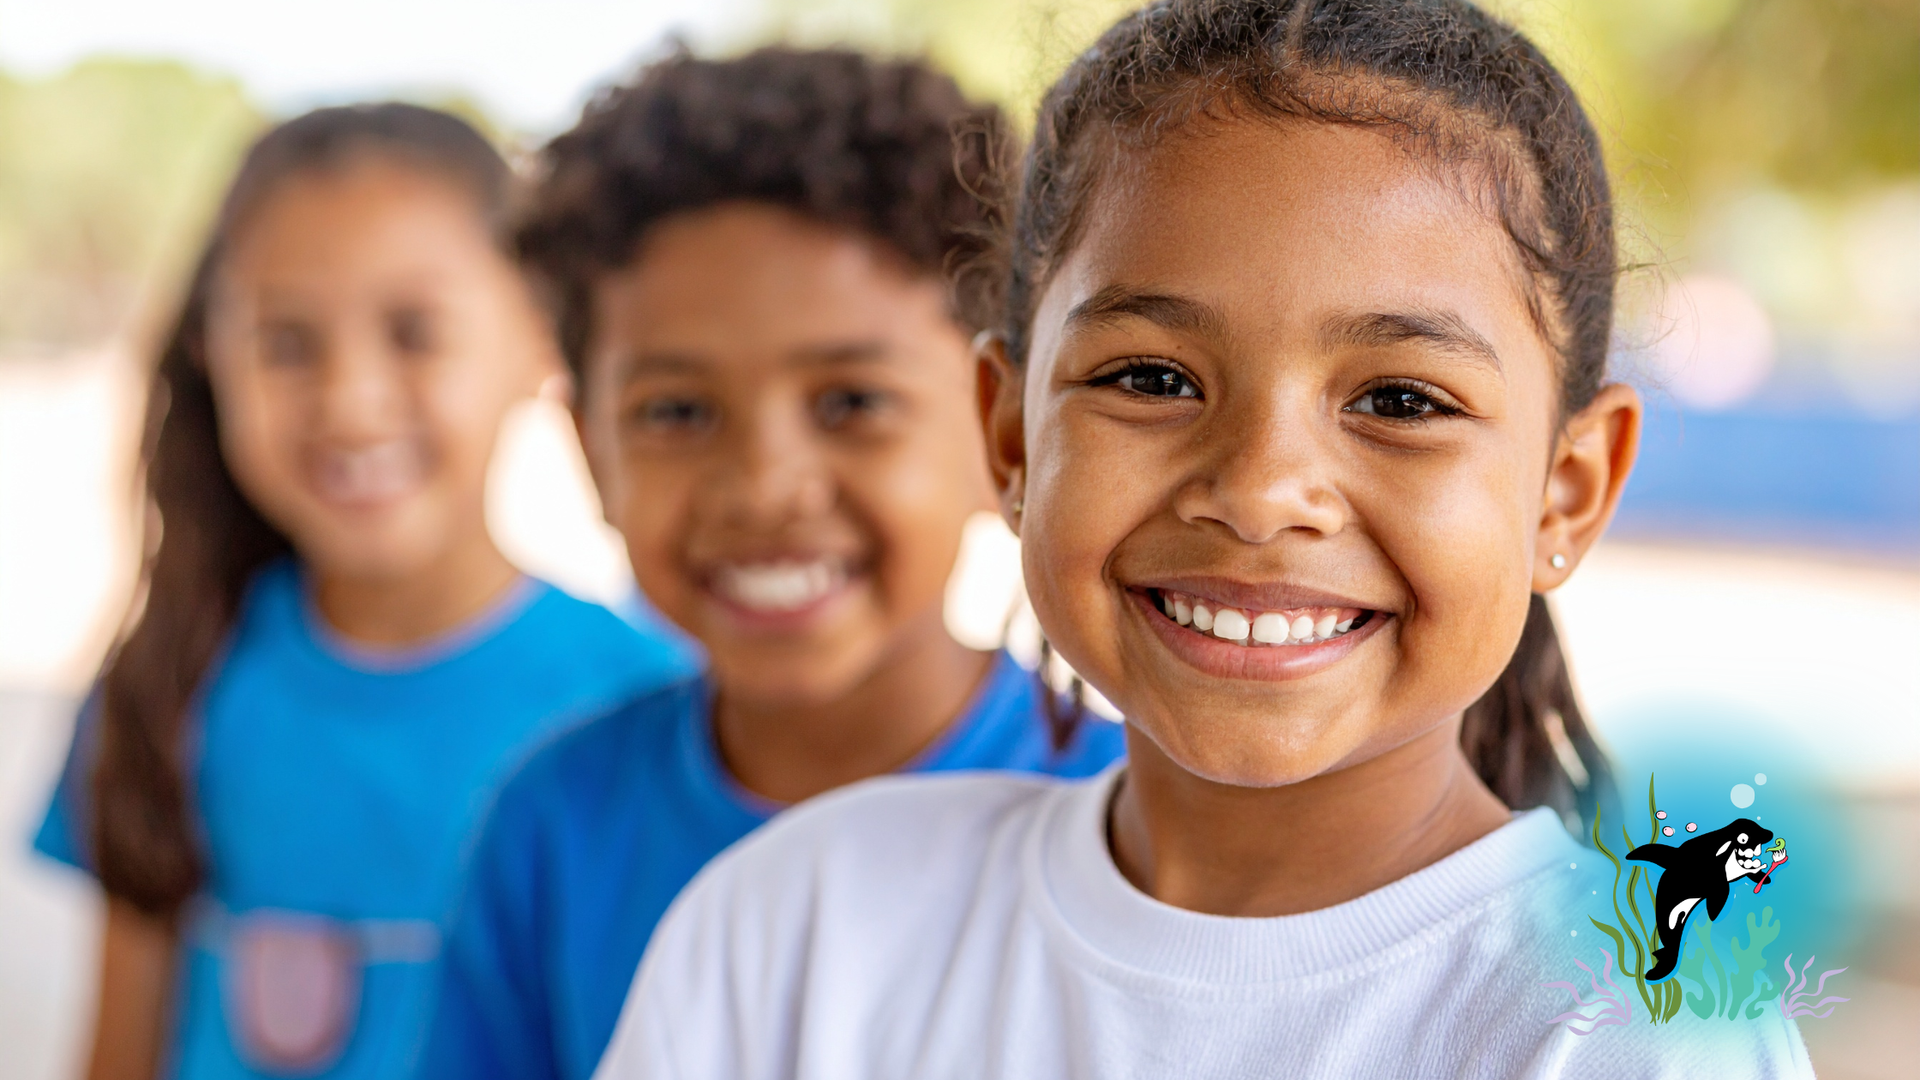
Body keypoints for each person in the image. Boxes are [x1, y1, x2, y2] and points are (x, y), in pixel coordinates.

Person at [591, 2, 1815, 1077]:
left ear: (1565, 493)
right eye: (1151, 376)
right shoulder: (795, 933)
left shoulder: (1635, 1033)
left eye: (1401, 400)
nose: (1260, 489)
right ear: (1009, 441)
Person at [415, 49, 1126, 1080]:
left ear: (1003, 431)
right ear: (588, 455)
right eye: (678, 413)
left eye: (851, 403)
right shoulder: (553, 831)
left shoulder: (1139, 824)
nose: (762, 485)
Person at [32, 104, 697, 1080]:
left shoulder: (651, 704)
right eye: (287, 342)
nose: (349, 399)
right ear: (217, 356)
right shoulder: (171, 683)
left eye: (415, 331)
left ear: (539, 339)